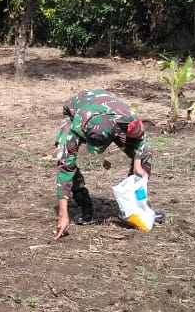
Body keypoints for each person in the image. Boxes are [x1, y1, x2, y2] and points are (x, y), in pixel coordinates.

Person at [52, 89, 161, 239]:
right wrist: (63, 216)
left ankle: (137, 207)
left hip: (110, 111)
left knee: (145, 153)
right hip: (75, 109)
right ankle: (83, 203)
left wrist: (137, 164)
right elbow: (65, 168)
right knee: (64, 155)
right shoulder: (76, 128)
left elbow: (140, 139)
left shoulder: (126, 118)